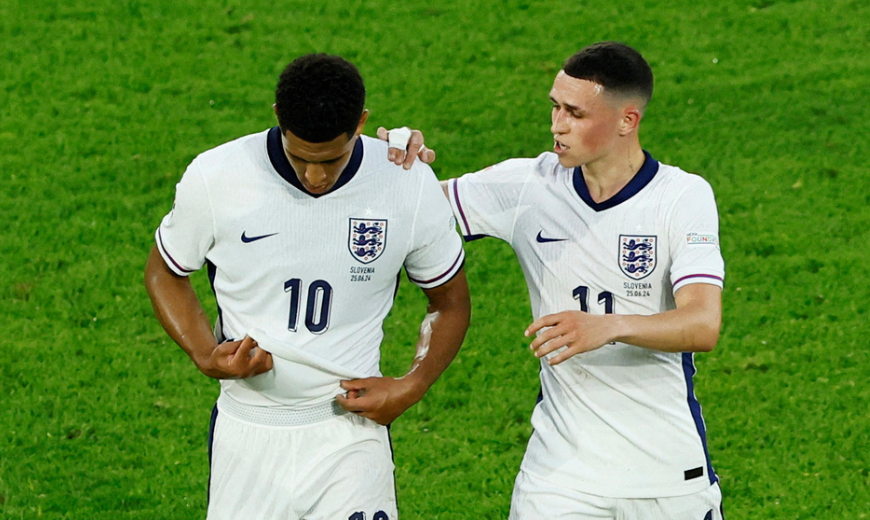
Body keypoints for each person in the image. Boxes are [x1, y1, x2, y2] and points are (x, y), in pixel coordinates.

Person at [388, 41, 726, 519]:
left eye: (575, 113)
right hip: (561, 477)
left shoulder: (681, 197)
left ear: (627, 120)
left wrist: (606, 326)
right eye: (555, 106)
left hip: (667, 476)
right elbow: (404, 213)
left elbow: (702, 323)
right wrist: (400, 169)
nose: (557, 124)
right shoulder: (529, 187)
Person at [144, 53, 470, 520]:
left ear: (361, 123)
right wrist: (203, 352)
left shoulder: (405, 181)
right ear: (278, 118)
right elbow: (164, 270)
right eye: (300, 158)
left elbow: (450, 301)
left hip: (349, 433)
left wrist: (412, 384)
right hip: (248, 431)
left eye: (331, 160)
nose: (315, 178)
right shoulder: (218, 177)